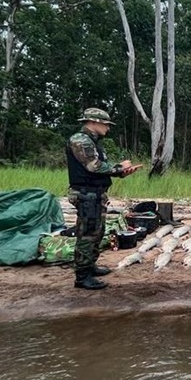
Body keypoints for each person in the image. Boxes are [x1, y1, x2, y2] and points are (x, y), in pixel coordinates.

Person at [67, 108, 142, 290]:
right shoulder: (80, 140)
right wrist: (119, 167)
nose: (108, 128)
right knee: (88, 234)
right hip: (86, 193)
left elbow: (100, 168)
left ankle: (90, 266)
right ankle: (82, 276)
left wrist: (121, 172)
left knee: (97, 232)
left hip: (95, 193)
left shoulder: (92, 142)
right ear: (94, 122)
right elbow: (94, 167)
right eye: (106, 124)